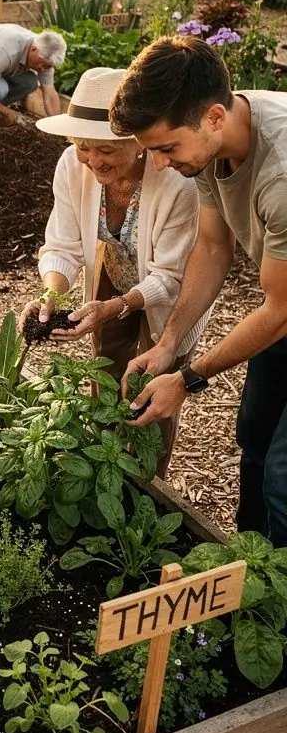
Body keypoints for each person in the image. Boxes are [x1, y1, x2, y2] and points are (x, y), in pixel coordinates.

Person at [110, 37, 287, 544]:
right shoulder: (217, 140)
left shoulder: (280, 176)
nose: (158, 164)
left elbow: (279, 311)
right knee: (254, 438)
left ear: (213, 117)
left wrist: (187, 379)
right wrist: (168, 344)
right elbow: (212, 246)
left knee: (283, 480)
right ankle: (249, 566)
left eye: (166, 148)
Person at [19, 67, 208, 472]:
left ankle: (149, 484)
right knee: (105, 371)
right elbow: (63, 244)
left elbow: (170, 278)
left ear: (137, 141)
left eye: (105, 149)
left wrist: (115, 306)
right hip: (116, 269)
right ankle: (102, 465)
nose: (92, 160)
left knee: (152, 390)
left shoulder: (177, 181)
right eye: (83, 146)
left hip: (173, 296)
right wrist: (50, 295)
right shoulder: (72, 165)